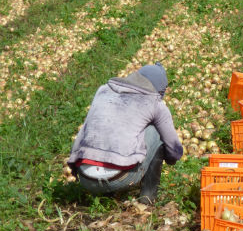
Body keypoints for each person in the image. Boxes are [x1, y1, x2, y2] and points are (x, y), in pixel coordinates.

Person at [67, 62, 183, 205]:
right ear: (160, 90)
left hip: (85, 178)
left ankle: (105, 195)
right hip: (120, 179)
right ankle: (147, 199)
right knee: (156, 131)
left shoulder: (103, 91)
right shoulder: (155, 103)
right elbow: (174, 150)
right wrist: (169, 159)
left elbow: (82, 133)